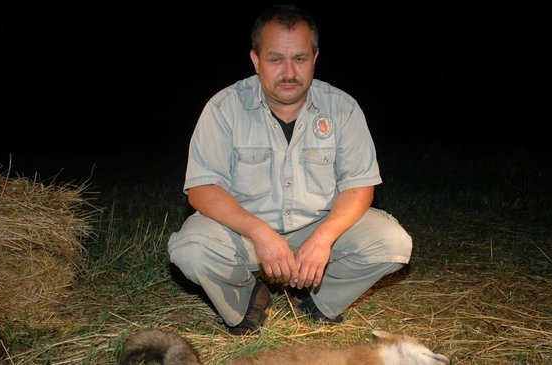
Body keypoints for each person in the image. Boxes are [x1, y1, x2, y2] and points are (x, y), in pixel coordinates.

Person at [167, 3, 412, 335]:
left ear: (314, 58)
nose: (289, 72)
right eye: (275, 59)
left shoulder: (342, 108)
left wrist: (323, 239)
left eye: (299, 58)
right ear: (256, 60)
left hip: (318, 228)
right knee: (190, 250)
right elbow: (202, 188)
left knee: (393, 242)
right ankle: (249, 300)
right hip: (247, 234)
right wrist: (260, 232)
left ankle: (319, 301)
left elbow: (359, 187)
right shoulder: (223, 108)